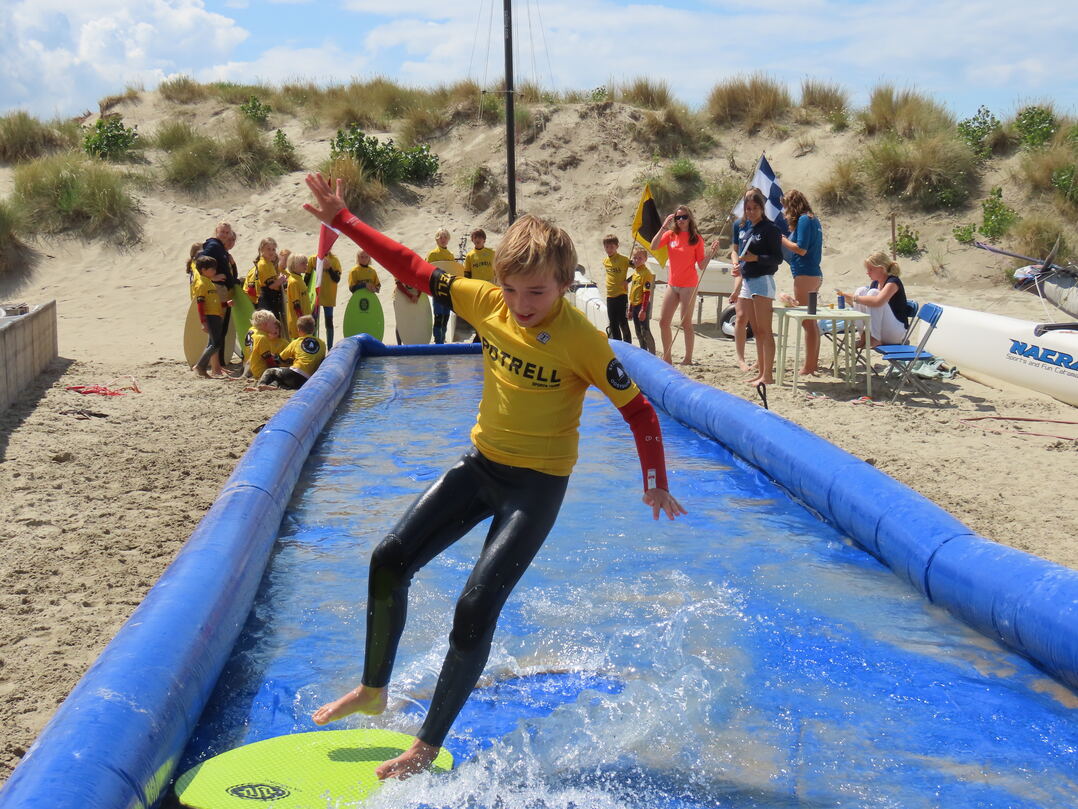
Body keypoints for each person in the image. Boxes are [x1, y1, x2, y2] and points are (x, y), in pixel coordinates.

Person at [302, 172, 686, 781]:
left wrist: (655, 479)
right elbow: (411, 266)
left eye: (536, 291)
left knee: (475, 604)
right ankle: (373, 689)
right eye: (510, 289)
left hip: (537, 486)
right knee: (388, 559)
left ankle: (425, 746)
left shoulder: (583, 341)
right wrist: (344, 221)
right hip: (481, 466)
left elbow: (638, 410)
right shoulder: (486, 302)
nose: (521, 303)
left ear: (564, 283)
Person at [649, 205, 721, 365]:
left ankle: (688, 358)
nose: (681, 220)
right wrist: (663, 226)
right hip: (672, 283)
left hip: (689, 284)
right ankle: (667, 357)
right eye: (678, 217)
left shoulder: (696, 239)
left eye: (684, 217)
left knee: (686, 322)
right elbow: (653, 246)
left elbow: (701, 265)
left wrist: (711, 253)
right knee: (663, 322)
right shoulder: (670, 234)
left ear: (690, 219)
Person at [732, 188, 783, 387]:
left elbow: (777, 258)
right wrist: (741, 265)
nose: (751, 212)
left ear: (762, 208)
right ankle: (761, 372)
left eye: (755, 208)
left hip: (762, 280)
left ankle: (767, 374)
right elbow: (739, 252)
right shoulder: (748, 229)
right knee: (756, 330)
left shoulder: (770, 229)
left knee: (765, 330)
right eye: (748, 208)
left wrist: (756, 258)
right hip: (747, 280)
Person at [780, 190, 824, 376]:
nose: (785, 212)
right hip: (813, 274)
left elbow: (801, 249)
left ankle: (809, 366)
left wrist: (782, 239)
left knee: (807, 321)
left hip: (805, 275)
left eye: (786, 207)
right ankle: (812, 364)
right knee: (811, 321)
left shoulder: (805, 219)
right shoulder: (813, 219)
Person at [836, 252, 909, 346]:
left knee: (873, 294)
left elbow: (878, 302)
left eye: (871, 269)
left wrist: (854, 298)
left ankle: (875, 339)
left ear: (881, 269)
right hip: (882, 329)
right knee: (861, 291)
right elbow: (869, 308)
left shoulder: (893, 282)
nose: (867, 272)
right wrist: (850, 300)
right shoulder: (875, 283)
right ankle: (863, 335)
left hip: (896, 332)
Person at [201, 222, 239, 367]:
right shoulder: (213, 246)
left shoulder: (220, 248)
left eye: (227, 233)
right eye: (222, 232)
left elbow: (230, 274)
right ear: (216, 231)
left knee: (220, 330)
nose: (225, 235)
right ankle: (209, 365)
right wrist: (212, 277)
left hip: (223, 291)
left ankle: (217, 365)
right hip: (217, 291)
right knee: (216, 331)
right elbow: (200, 262)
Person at [255, 315, 326, 390]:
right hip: (307, 380)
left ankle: (260, 385)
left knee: (270, 371)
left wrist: (272, 356)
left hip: (295, 373)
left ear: (298, 330)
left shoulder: (296, 342)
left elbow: (280, 359)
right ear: (313, 329)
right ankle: (274, 386)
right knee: (282, 377)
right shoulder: (322, 343)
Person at [192, 256, 228, 378]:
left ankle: (201, 368)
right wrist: (203, 322)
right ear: (203, 270)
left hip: (216, 315)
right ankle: (200, 366)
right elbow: (200, 304)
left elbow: (213, 302)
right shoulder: (201, 284)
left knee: (212, 343)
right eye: (212, 269)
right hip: (210, 316)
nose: (214, 271)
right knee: (216, 343)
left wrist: (225, 304)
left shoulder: (209, 283)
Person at [426, 228, 456, 343]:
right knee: (438, 316)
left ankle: (443, 339)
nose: (443, 239)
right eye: (440, 237)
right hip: (436, 289)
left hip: (447, 290)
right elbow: (427, 270)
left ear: (448, 239)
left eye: (445, 237)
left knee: (446, 316)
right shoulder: (432, 254)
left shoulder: (450, 255)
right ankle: (438, 340)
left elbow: (453, 272)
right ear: (437, 239)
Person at [308, 250, 343, 349]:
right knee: (312, 322)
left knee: (329, 322)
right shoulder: (313, 259)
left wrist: (329, 268)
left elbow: (337, 279)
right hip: (315, 296)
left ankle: (330, 347)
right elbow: (307, 278)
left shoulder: (334, 260)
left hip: (328, 296)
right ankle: (312, 346)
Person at [601, 234, 632, 342]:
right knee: (613, 323)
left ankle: (628, 345)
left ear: (617, 246)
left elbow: (639, 268)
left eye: (612, 247)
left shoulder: (624, 259)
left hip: (621, 295)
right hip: (610, 296)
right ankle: (618, 345)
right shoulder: (605, 261)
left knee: (623, 322)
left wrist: (628, 280)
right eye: (607, 247)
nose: (609, 249)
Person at [248, 237, 286, 322]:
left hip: (272, 298)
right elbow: (271, 286)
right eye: (268, 249)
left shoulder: (269, 263)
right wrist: (281, 280)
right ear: (262, 249)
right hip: (267, 299)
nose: (271, 252)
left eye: (273, 249)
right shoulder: (263, 264)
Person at [244, 309, 288, 380]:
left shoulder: (254, 332)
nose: (275, 325)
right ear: (265, 325)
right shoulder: (262, 338)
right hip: (262, 372)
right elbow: (269, 360)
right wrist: (277, 369)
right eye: (273, 323)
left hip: (254, 369)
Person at [626, 247, 656, 354]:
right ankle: (643, 351)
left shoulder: (646, 273)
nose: (637, 260)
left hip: (642, 305)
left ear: (645, 259)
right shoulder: (635, 273)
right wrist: (630, 309)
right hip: (634, 305)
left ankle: (652, 354)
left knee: (645, 330)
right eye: (635, 258)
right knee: (638, 331)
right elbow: (633, 292)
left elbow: (647, 293)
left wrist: (643, 310)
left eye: (640, 258)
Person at [283, 252, 311, 340]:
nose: (306, 265)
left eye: (306, 263)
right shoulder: (293, 282)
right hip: (299, 322)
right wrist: (302, 321)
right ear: (294, 266)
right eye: (303, 263)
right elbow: (296, 304)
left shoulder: (299, 279)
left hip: (304, 319)